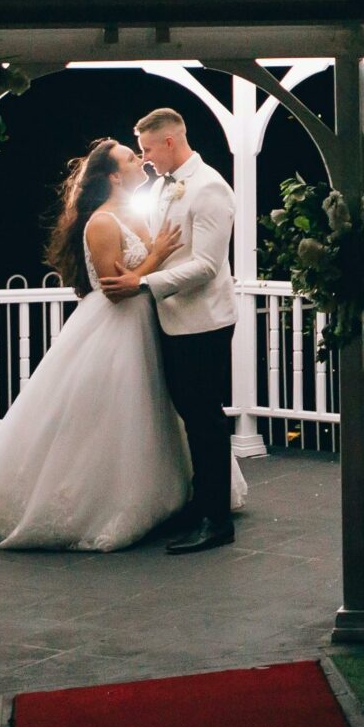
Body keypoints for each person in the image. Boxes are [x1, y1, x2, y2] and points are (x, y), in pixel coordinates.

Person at [0, 137, 246, 550]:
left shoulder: (138, 211)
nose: (141, 162)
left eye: (141, 153)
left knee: (159, 412)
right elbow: (116, 288)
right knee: (111, 416)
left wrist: (158, 257)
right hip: (115, 324)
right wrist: (157, 256)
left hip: (151, 323)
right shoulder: (101, 222)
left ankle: (183, 499)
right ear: (114, 175)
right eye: (133, 158)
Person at [98, 107, 240, 553]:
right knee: (189, 416)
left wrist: (144, 283)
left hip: (203, 322)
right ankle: (201, 502)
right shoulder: (163, 186)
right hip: (173, 319)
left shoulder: (211, 187)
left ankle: (216, 521)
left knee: (205, 419)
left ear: (170, 143)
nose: (145, 159)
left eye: (146, 149)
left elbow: (207, 266)